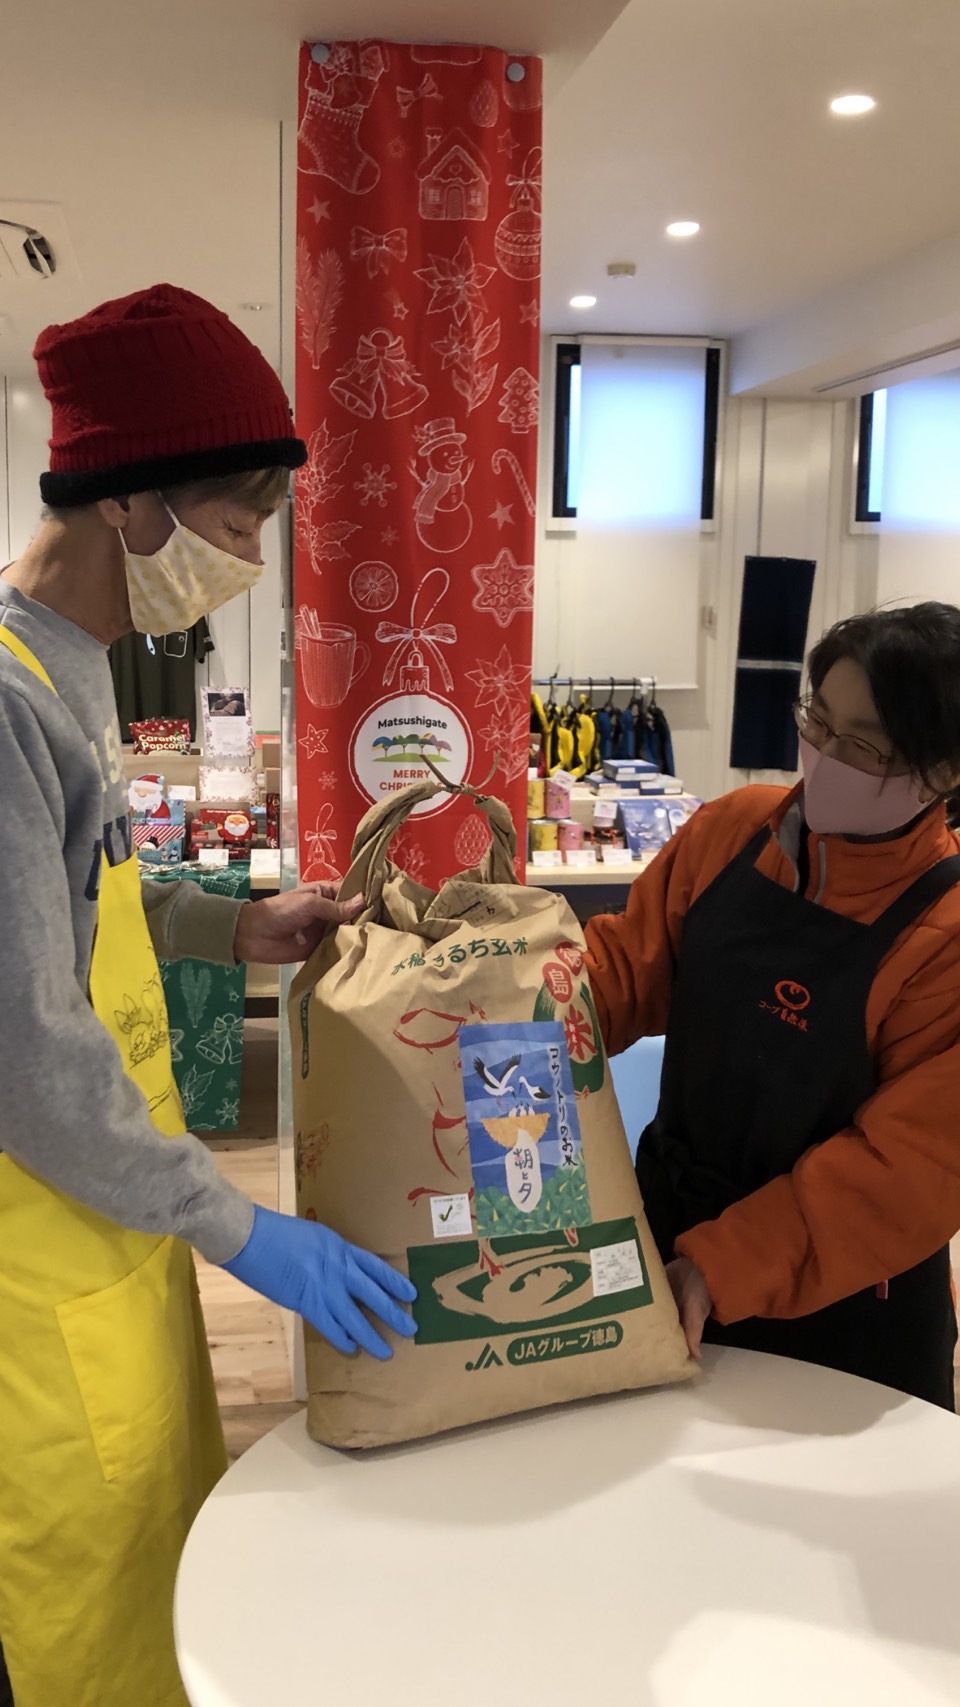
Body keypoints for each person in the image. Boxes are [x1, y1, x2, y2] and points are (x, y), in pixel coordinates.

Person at [0, 284, 416, 1707]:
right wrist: (245, 1228)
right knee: (81, 1615)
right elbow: (28, 1055)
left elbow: (90, 895)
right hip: (32, 1253)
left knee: (155, 1567)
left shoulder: (74, 669)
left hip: (109, 1228)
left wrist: (232, 925)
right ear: (126, 500)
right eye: (235, 526)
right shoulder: (6, 706)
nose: (245, 560)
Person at [586, 603, 960, 1410]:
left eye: (864, 745)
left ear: (945, 771)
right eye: (818, 720)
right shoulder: (733, 831)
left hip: (843, 1296)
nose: (826, 755)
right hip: (671, 1236)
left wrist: (718, 1267)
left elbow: (903, 1171)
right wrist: (496, 998)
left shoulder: (946, 933)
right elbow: (621, 971)